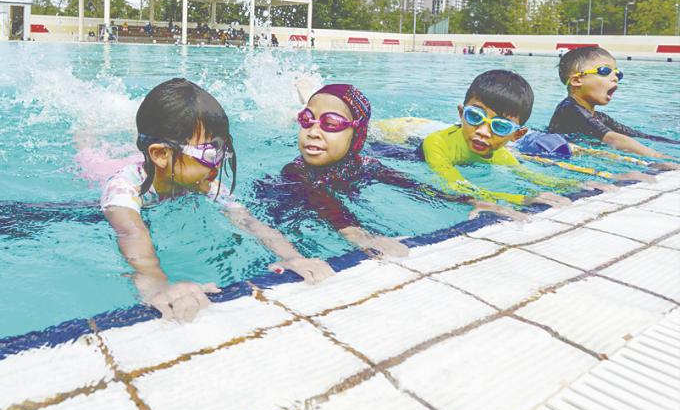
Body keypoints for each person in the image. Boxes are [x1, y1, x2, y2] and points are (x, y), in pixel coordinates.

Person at [100, 79, 333, 322]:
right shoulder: (123, 188)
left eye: (223, 150)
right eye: (210, 153)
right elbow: (131, 232)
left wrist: (292, 256)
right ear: (160, 154)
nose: (219, 162)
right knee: (92, 159)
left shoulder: (205, 183)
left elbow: (249, 222)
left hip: (165, 171)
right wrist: (156, 285)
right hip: (105, 172)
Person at [256, 84, 520, 258]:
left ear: (357, 133)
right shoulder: (295, 171)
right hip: (290, 208)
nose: (313, 131)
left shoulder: (365, 164)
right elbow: (320, 200)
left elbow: (414, 186)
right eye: (307, 120)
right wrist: (357, 234)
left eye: (331, 123)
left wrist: (469, 200)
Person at [420, 70, 590, 207]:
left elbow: (532, 176)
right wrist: (520, 199)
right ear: (461, 114)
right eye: (474, 116)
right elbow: (453, 185)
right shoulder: (436, 143)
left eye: (500, 127)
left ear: (516, 135)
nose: (483, 132)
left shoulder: (502, 155)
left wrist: (580, 185)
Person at [548, 47, 680, 161]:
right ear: (577, 80)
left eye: (618, 73)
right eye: (604, 71)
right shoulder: (569, 110)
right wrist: (659, 156)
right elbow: (613, 139)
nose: (615, 77)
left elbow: (637, 135)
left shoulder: (599, 117)